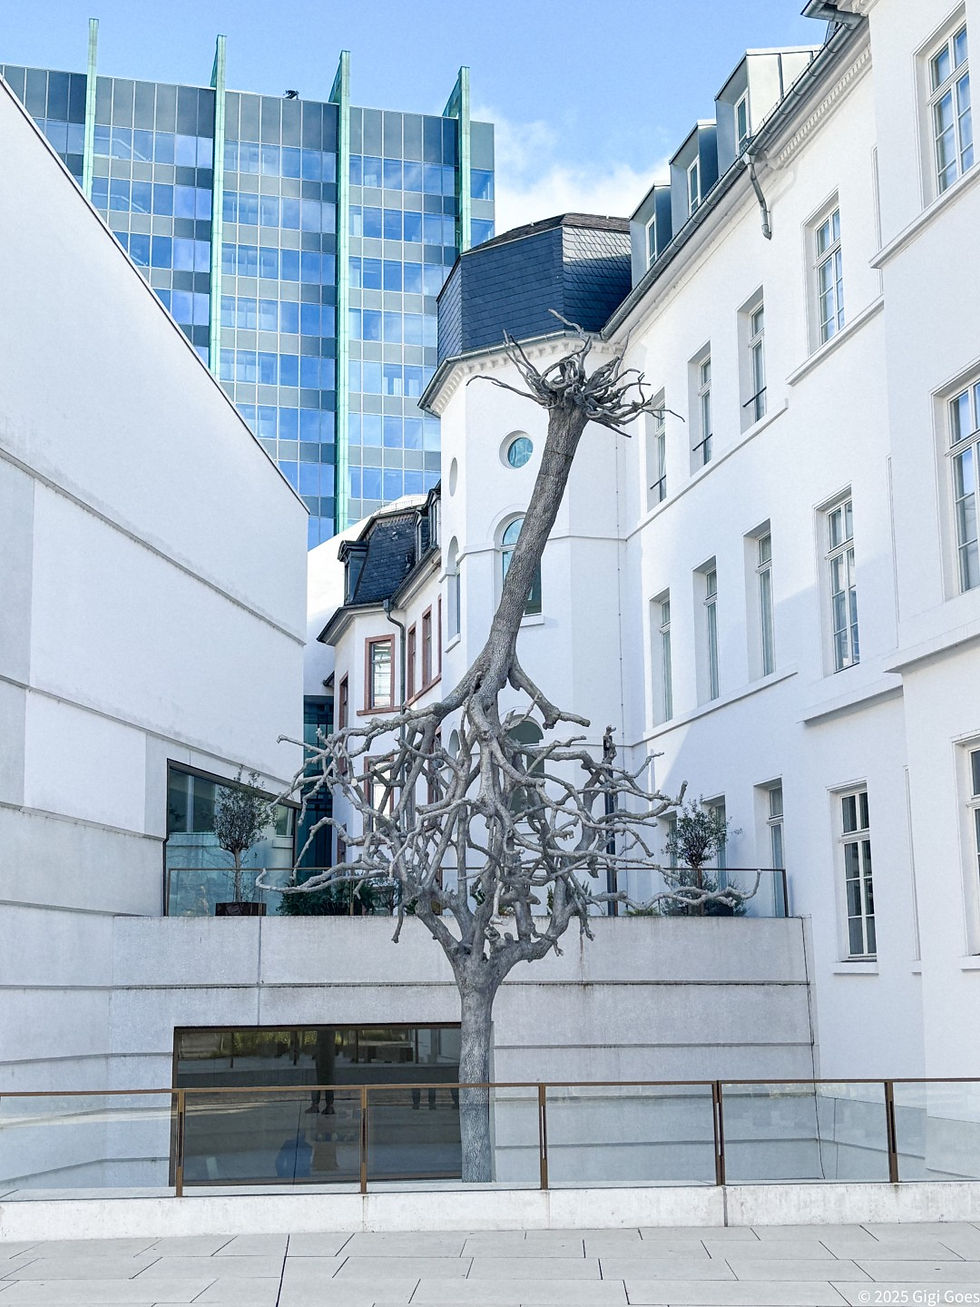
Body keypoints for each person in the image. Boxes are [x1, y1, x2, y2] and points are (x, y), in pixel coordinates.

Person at [306, 1027, 336, 1114]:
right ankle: (328, 1105)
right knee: (328, 1075)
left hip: (323, 1049)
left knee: (318, 1077)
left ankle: (317, 1104)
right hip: (328, 1049)